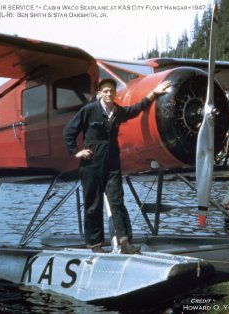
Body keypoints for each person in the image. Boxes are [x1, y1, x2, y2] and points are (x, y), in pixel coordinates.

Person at [63, 78, 171, 254]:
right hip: (91, 164)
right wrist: (76, 152)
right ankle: (95, 245)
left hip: (112, 163)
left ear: (114, 93)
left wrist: (154, 93)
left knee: (117, 201)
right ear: (100, 93)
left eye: (111, 91)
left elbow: (136, 108)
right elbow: (69, 131)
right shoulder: (89, 110)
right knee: (93, 204)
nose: (108, 94)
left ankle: (125, 242)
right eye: (105, 91)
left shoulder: (118, 111)